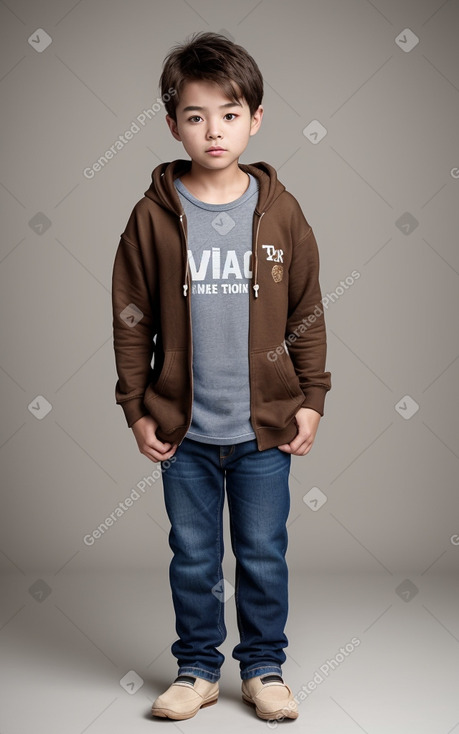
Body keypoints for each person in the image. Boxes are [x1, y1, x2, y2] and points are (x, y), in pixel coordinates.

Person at [111, 31, 331, 722]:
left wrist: (312, 396)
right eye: (196, 115)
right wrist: (136, 406)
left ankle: (263, 669)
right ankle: (198, 668)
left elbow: (306, 310)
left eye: (229, 114)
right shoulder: (152, 217)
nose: (213, 130)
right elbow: (129, 318)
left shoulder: (281, 213)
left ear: (255, 119)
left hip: (263, 428)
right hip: (184, 430)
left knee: (262, 554)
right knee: (193, 558)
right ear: (172, 121)